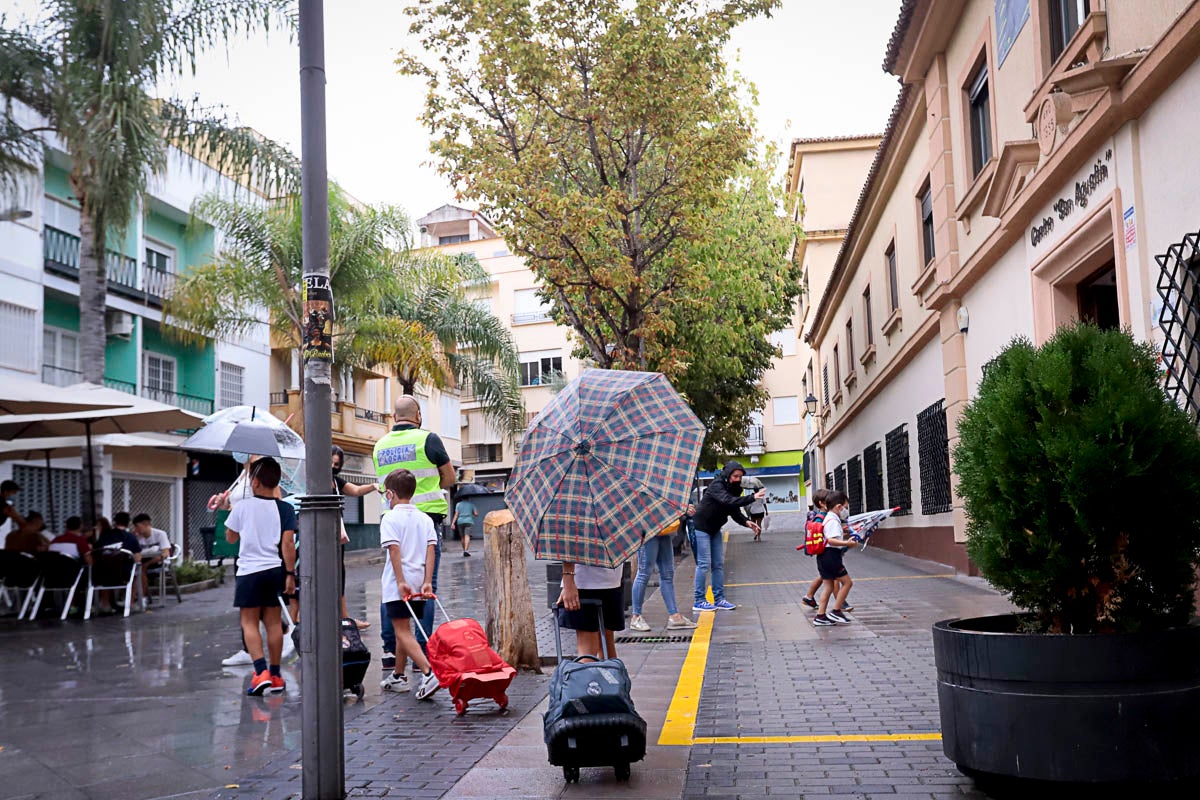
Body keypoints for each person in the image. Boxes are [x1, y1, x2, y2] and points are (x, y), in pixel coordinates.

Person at [372, 395, 455, 677]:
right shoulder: (428, 439)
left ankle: (390, 650)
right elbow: (450, 478)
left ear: (395, 417)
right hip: (426, 519)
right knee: (424, 584)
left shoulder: (380, 445)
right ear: (418, 415)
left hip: (392, 521)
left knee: (393, 585)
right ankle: (423, 647)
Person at [224, 457, 297, 695]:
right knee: (274, 623)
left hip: (249, 572)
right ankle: (275, 676)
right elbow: (288, 543)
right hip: (275, 570)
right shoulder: (284, 508)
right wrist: (290, 574)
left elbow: (230, 538)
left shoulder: (242, 506)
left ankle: (260, 672)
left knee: (249, 622)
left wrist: (232, 513)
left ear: (255, 482)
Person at [377, 469, 440, 700]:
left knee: (401, 630)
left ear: (391, 494)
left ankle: (428, 671)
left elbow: (394, 549)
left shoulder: (390, 518)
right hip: (418, 580)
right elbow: (430, 550)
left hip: (398, 582)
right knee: (404, 629)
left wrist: (400, 581)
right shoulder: (424, 518)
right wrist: (427, 582)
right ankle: (398, 675)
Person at [691, 461, 763, 613]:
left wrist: (746, 522)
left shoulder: (735, 488)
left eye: (740, 476)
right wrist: (752, 497)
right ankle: (699, 600)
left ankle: (719, 599)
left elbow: (733, 509)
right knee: (704, 564)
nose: (738, 479)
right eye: (735, 476)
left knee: (718, 564)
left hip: (715, 528)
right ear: (728, 474)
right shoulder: (717, 485)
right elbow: (727, 500)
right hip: (701, 526)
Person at [331, 445, 375, 628]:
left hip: (337, 534)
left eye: (336, 464)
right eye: (330, 462)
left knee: (339, 573)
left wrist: (373, 486)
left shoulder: (336, 481)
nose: (333, 466)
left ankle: (344, 618)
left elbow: (356, 491)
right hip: (323, 534)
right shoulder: (314, 481)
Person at [630, 519, 696, 632]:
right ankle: (636, 617)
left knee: (667, 573)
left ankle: (674, 615)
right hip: (649, 531)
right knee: (644, 573)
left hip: (664, 528)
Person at [800, 489, 854, 613]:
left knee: (827, 583)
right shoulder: (827, 518)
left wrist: (842, 531)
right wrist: (846, 543)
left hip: (826, 554)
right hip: (829, 553)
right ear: (822, 503)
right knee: (840, 581)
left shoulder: (827, 517)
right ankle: (838, 607)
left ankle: (819, 610)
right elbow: (829, 539)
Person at [557, 561, 623, 660]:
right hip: (589, 581)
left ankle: (607, 674)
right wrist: (568, 580)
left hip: (607, 580)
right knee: (593, 648)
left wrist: (568, 580)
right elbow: (567, 546)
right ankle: (604, 674)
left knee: (604, 645)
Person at [812, 489, 856, 627]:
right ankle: (836, 611)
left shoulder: (830, 518)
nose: (846, 511)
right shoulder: (832, 520)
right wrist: (847, 543)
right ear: (839, 506)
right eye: (845, 507)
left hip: (824, 557)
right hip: (831, 556)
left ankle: (820, 615)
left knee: (828, 587)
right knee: (847, 583)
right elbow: (831, 540)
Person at [132, 513, 173, 601]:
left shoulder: (160, 534)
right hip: (142, 561)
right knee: (136, 568)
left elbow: (165, 553)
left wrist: (149, 563)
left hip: (158, 562)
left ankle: (139, 597)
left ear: (146, 524)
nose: (136, 529)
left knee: (142, 568)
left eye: (137, 527)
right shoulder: (137, 537)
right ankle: (138, 597)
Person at [0, 479, 25, 547]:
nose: (14, 495)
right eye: (13, 492)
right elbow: (20, 521)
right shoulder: (6, 507)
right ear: (6, 492)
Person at [743, 476, 768, 541]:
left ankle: (755, 534)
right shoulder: (762, 496)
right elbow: (764, 504)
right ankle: (759, 536)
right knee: (759, 524)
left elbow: (749, 505)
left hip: (753, 512)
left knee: (754, 525)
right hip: (760, 511)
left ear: (753, 490)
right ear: (759, 490)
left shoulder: (752, 496)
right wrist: (766, 511)